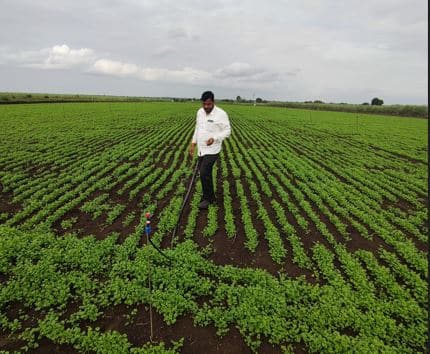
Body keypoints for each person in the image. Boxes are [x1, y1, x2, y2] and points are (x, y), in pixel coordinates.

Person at [189, 91, 231, 209]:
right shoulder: (200, 112)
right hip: (201, 149)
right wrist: (193, 142)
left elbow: (227, 131)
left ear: (213, 102)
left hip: (213, 149)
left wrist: (215, 138)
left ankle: (208, 199)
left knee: (203, 172)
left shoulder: (221, 114)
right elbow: (198, 128)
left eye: (209, 104)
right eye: (204, 104)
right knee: (205, 174)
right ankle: (210, 196)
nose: (206, 107)